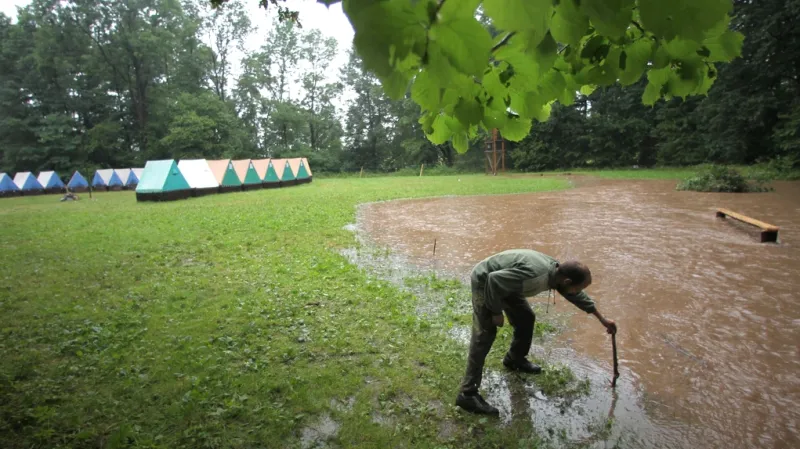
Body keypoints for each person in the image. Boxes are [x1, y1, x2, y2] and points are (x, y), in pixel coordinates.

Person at [455, 249, 617, 415]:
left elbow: (574, 295)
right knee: (485, 334)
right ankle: (467, 394)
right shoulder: (535, 277)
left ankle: (514, 359)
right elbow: (493, 280)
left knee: (525, 317)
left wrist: (602, 319)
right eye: (578, 288)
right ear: (567, 281)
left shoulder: (557, 274)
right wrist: (496, 312)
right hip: (486, 280)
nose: (577, 292)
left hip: (506, 282)